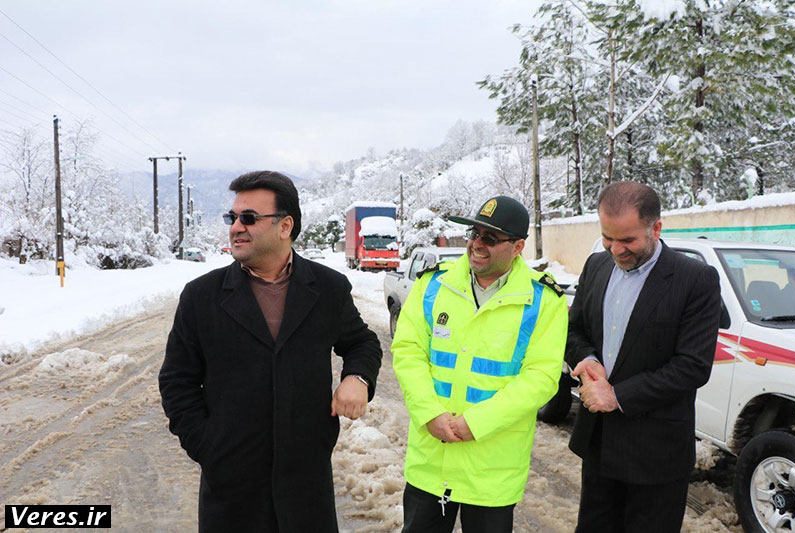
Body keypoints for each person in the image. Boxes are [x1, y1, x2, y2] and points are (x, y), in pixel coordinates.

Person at [158, 171, 382, 532]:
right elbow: (176, 381)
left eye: (249, 218)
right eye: (232, 217)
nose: (236, 228)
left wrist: (357, 377)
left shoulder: (328, 288)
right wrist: (208, 447)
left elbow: (362, 342)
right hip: (231, 492)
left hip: (307, 486)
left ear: (285, 226)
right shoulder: (201, 297)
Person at [392, 195, 568, 533]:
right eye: (474, 233)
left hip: (491, 470)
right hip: (431, 461)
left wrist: (476, 423)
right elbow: (408, 351)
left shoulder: (543, 301)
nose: (476, 244)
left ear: (518, 247)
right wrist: (430, 414)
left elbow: (541, 377)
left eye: (490, 237)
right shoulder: (433, 285)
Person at [566, 181, 721, 533]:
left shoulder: (695, 279)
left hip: (656, 454)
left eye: (627, 240)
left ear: (656, 228)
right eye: (607, 237)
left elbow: (692, 366)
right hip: (599, 443)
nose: (616, 250)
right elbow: (574, 331)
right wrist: (587, 359)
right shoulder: (596, 265)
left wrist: (616, 395)